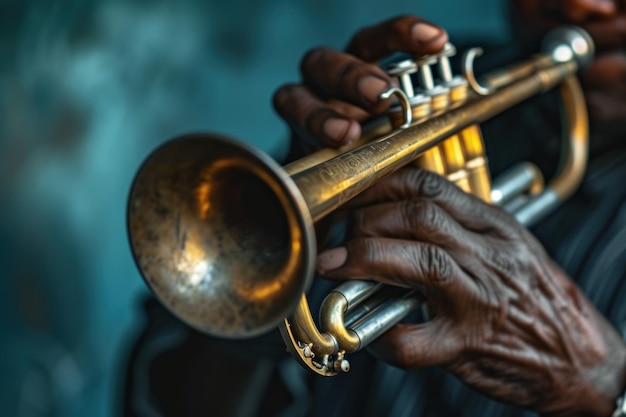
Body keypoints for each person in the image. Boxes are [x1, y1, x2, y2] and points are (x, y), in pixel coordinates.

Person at [122, 1, 626, 416]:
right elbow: (171, 402)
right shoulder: (426, 89)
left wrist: (599, 389)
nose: (585, 4)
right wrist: (260, 241)